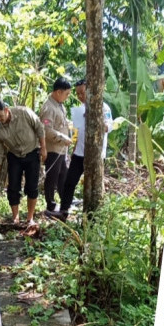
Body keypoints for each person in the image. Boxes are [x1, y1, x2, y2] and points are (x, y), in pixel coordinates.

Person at [49, 78, 113, 221]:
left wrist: (94, 118)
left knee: (92, 186)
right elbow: (79, 131)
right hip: (79, 152)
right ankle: (64, 211)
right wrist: (74, 148)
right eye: (77, 94)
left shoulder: (103, 108)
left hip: (95, 154)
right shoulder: (80, 109)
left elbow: (108, 126)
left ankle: (93, 216)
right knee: (70, 182)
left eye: (82, 93)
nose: (80, 97)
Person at [0, 98, 47, 225]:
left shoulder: (23, 113)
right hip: (14, 155)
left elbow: (39, 127)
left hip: (32, 152)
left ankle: (30, 218)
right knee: (13, 187)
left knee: (32, 186)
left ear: (6, 110)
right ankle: (15, 218)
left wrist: (43, 148)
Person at [39, 78, 73, 216]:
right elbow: (46, 130)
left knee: (63, 175)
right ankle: (51, 204)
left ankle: (65, 200)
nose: (68, 97)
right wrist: (62, 137)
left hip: (62, 149)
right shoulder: (48, 107)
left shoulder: (60, 105)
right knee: (52, 177)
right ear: (59, 92)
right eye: (67, 94)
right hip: (53, 148)